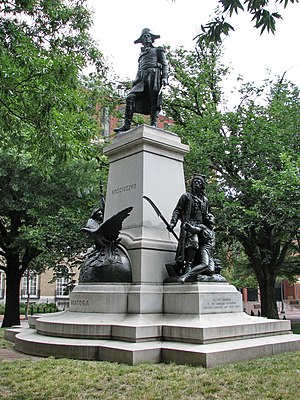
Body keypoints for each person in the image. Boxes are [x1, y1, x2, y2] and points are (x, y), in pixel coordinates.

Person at [114, 28, 168, 133]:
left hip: (153, 75)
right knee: (130, 97)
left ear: (152, 38)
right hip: (142, 79)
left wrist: (165, 77)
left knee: (153, 100)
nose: (147, 38)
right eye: (144, 36)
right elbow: (139, 70)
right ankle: (127, 124)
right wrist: (135, 81)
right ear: (142, 40)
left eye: (149, 36)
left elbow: (165, 65)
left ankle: (153, 123)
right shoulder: (141, 56)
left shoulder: (158, 50)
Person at [168, 174, 209, 275]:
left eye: (199, 182)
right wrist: (173, 223)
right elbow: (177, 210)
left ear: (202, 185)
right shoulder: (186, 196)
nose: (196, 183)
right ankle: (188, 265)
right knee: (194, 243)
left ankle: (201, 265)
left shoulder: (205, 200)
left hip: (201, 226)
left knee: (204, 246)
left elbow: (206, 216)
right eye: (194, 181)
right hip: (189, 225)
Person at [178, 213, 216, 283]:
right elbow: (195, 229)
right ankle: (185, 276)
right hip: (204, 249)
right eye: (208, 216)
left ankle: (196, 271)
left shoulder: (212, 230)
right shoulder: (203, 227)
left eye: (211, 216)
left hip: (211, 254)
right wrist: (189, 227)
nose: (210, 217)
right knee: (205, 264)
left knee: (211, 271)